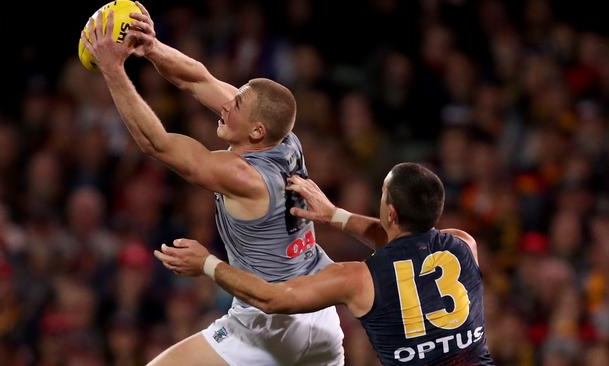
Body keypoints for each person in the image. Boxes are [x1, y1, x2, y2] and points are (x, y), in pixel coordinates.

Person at [80, 5, 344, 366]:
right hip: (320, 312)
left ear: (256, 132)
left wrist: (112, 69)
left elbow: (155, 142)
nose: (226, 104)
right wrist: (151, 46)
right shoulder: (286, 139)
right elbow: (197, 79)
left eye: (237, 104)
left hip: (270, 321)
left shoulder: (242, 175)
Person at [155, 163, 495, 365]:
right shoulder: (464, 244)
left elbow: (270, 299)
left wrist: (208, 264)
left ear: (390, 211)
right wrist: (336, 216)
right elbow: (409, 244)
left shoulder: (359, 278)